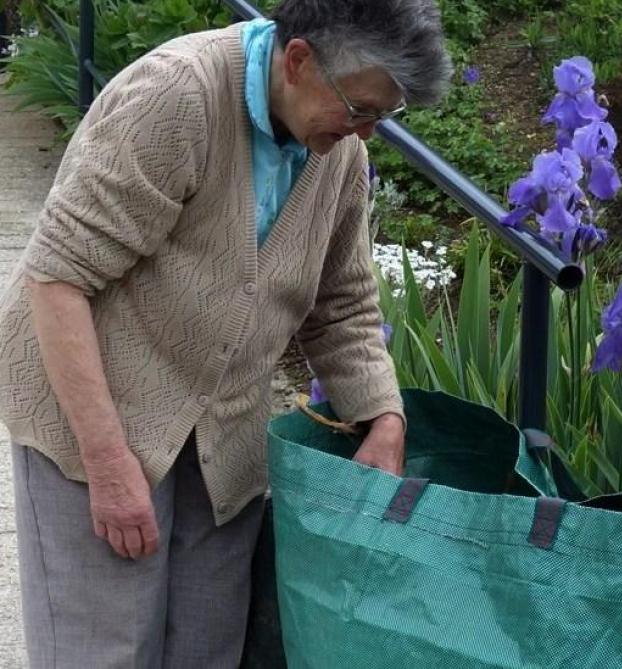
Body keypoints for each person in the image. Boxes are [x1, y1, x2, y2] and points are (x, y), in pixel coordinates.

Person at [0, 0, 451, 666]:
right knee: (104, 649)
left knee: (207, 648)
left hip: (223, 434)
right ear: (299, 61)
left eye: (382, 117)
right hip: (100, 409)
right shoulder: (175, 97)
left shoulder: (338, 153)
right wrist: (108, 464)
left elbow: (344, 301)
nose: (365, 134)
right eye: (359, 110)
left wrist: (382, 416)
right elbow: (58, 280)